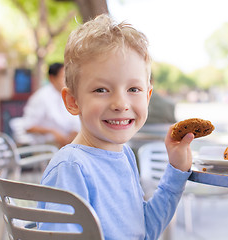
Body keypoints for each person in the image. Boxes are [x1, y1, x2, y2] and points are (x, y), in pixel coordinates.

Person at [37, 14, 194, 239]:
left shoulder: (124, 155)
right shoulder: (71, 168)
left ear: (148, 97)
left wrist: (176, 171)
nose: (120, 104)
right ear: (73, 101)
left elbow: (144, 231)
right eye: (101, 90)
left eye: (133, 89)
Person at [20, 63, 80, 147]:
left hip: (69, 143)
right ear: (52, 78)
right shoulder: (41, 97)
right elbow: (29, 126)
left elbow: (75, 122)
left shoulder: (69, 96)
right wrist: (52, 132)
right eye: (63, 77)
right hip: (47, 147)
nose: (67, 81)